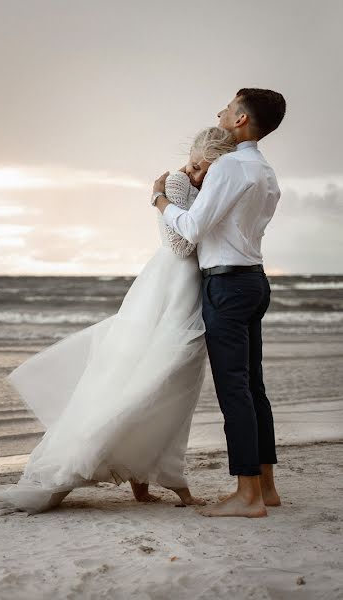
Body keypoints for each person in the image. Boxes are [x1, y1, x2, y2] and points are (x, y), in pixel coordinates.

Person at [0, 127, 236, 516]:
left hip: (190, 291)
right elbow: (179, 245)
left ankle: (150, 479)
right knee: (146, 377)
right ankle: (150, 477)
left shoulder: (218, 185)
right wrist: (160, 199)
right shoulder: (175, 183)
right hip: (167, 288)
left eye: (206, 171)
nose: (197, 176)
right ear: (188, 159)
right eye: (195, 166)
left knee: (173, 386)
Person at [153, 88, 286, 518]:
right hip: (254, 281)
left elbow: (191, 228)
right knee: (253, 388)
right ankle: (265, 487)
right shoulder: (264, 170)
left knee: (235, 392)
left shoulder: (229, 166)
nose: (221, 113)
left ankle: (246, 496)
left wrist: (160, 201)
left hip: (226, 286)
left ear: (242, 120)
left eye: (228, 108)